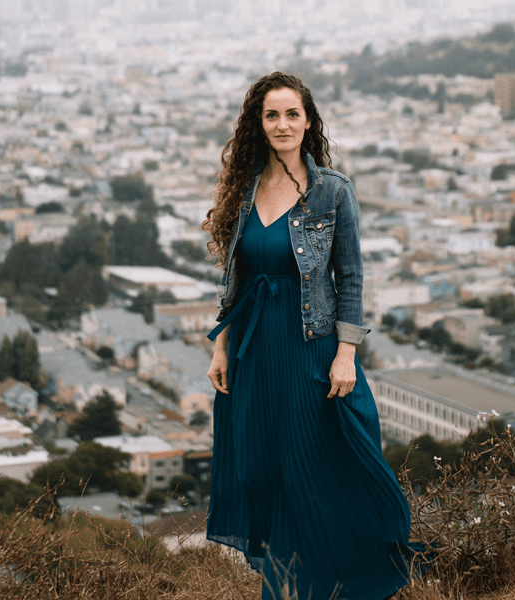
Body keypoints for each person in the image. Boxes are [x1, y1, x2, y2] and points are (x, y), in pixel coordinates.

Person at [201, 72, 421, 600]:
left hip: (311, 348)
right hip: (255, 349)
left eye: (291, 114)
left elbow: (351, 278)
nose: (282, 124)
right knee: (263, 469)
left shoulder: (332, 192)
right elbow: (236, 278)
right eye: (271, 114)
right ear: (258, 123)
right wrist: (221, 344)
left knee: (316, 468)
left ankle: (328, 582)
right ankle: (287, 582)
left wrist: (346, 354)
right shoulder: (242, 188)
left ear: (308, 121)